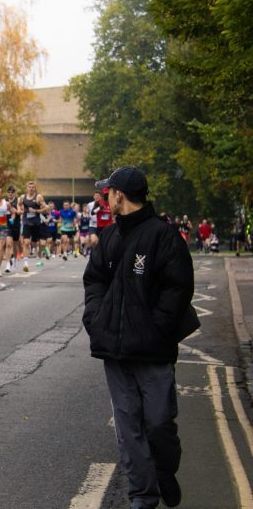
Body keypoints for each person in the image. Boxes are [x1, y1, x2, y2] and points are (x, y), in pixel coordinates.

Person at [83, 166, 198, 509]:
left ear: (120, 195)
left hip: (153, 351)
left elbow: (179, 288)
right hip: (115, 351)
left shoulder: (163, 236)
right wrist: (95, 318)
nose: (105, 198)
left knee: (160, 423)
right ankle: (143, 497)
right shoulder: (109, 236)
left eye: (109, 193)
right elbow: (94, 281)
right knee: (128, 428)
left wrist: (157, 327)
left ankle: (164, 469)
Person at [18, 181, 49, 271]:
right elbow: (19, 204)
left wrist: (36, 211)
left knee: (36, 243)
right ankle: (26, 264)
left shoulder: (38, 197)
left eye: (33, 187)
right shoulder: (23, 197)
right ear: (27, 188)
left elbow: (46, 208)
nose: (31, 189)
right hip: (26, 223)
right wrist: (21, 210)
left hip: (36, 223)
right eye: (29, 187)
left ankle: (39, 256)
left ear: (35, 188)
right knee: (26, 242)